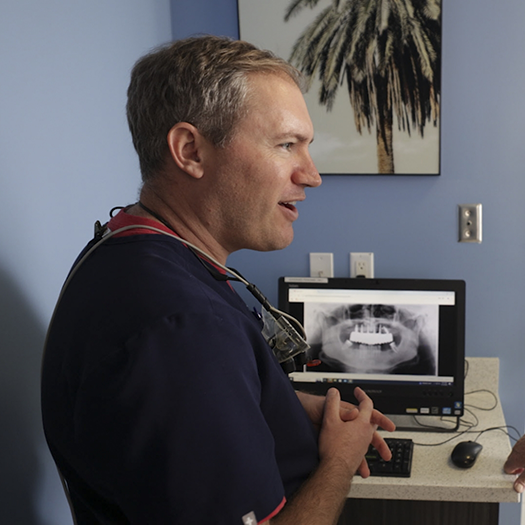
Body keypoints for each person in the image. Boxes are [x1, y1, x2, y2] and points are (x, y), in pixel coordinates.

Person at [41, 35, 395, 525]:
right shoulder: (185, 328)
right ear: (190, 151)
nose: (312, 175)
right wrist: (339, 459)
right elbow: (185, 362)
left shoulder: (127, 249)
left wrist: (283, 406)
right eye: (286, 145)